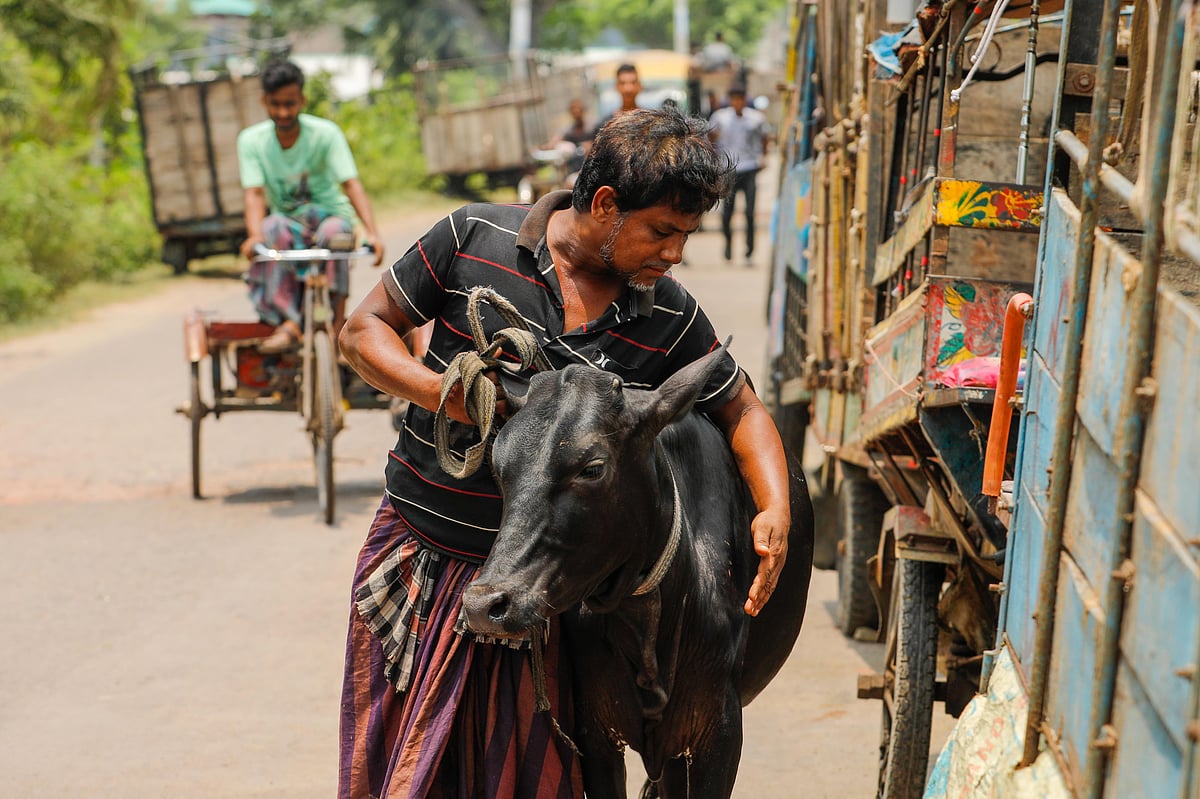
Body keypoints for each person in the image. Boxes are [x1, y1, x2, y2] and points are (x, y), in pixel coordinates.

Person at [336, 108, 791, 799]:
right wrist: (445, 393)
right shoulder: (471, 238)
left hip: (543, 598)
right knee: (402, 777)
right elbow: (363, 330)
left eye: (684, 237)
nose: (673, 254)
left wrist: (775, 505)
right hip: (421, 564)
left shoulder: (665, 312)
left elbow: (743, 408)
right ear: (605, 206)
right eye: (661, 232)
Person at [236, 60, 385, 353]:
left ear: (302, 100)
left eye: (290, 104)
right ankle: (290, 323)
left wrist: (372, 232)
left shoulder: (325, 134)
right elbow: (254, 194)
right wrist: (254, 236)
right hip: (288, 221)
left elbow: (350, 183)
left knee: (338, 234)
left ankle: (337, 326)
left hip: (329, 216)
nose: (283, 112)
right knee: (272, 229)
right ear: (264, 101)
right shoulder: (252, 141)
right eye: (275, 104)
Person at [709, 84, 771, 265]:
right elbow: (710, 137)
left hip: (749, 167)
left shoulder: (755, 119)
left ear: (745, 100)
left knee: (750, 212)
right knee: (727, 212)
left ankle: (749, 250)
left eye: (740, 99)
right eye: (734, 99)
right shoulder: (720, 118)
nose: (737, 103)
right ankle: (728, 244)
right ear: (730, 100)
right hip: (729, 170)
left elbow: (765, 136)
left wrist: (763, 156)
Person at [592, 62, 643, 136]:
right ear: (616, 86)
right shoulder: (606, 125)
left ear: (640, 85)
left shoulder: (649, 121)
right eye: (623, 83)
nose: (628, 89)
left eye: (633, 82)